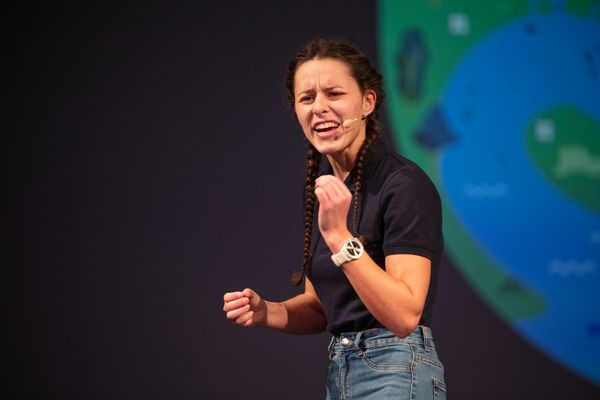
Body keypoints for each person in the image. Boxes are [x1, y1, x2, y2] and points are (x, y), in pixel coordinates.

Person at [222, 37, 446, 399]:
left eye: (334, 94)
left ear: (367, 102)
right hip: (342, 371)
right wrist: (268, 311)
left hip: (396, 368)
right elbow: (322, 308)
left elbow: (405, 315)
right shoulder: (328, 186)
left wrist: (341, 239)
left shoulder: (403, 184)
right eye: (307, 98)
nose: (319, 108)